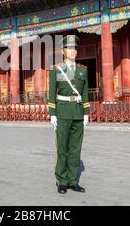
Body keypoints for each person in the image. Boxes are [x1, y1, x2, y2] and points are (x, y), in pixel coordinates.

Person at [48, 35, 90, 194]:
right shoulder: (57, 69)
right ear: (63, 51)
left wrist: (86, 113)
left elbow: (85, 93)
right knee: (62, 148)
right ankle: (62, 180)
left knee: (75, 149)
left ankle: (73, 180)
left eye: (75, 48)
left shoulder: (82, 70)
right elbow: (52, 93)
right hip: (63, 112)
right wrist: (52, 114)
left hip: (78, 113)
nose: (73, 51)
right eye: (69, 48)